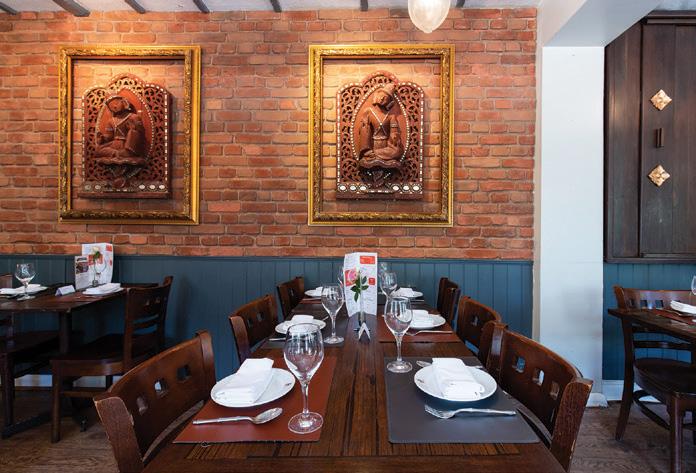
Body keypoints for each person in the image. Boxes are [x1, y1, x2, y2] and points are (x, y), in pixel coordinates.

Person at [356, 83, 404, 187]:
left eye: (386, 97)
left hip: (387, 147)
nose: (382, 98)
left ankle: (375, 156)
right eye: (382, 95)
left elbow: (394, 133)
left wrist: (395, 136)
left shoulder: (391, 116)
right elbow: (365, 131)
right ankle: (370, 155)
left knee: (397, 151)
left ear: (390, 102)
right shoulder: (368, 112)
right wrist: (366, 149)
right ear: (377, 95)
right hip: (373, 145)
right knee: (365, 131)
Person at [94, 95, 147, 168]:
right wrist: (102, 138)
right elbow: (109, 136)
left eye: (116, 103)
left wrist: (133, 128)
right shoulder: (111, 121)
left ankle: (126, 153)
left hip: (127, 144)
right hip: (115, 145)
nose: (114, 107)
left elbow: (141, 133)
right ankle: (117, 153)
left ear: (124, 103)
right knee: (98, 151)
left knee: (133, 132)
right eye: (111, 106)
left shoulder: (134, 117)